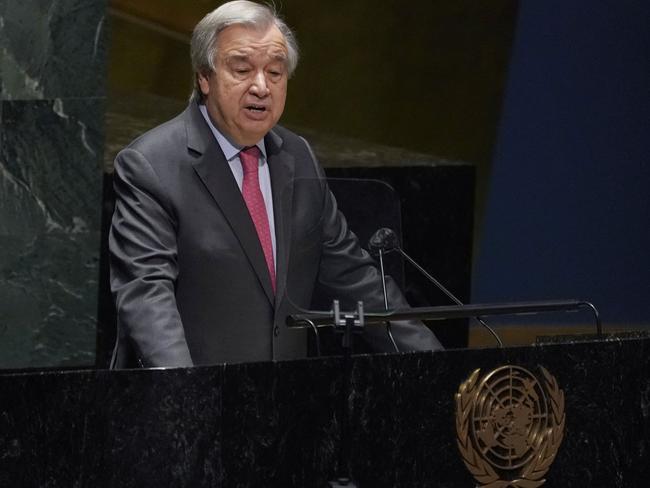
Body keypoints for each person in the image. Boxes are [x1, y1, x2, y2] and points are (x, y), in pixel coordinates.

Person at [109, 0, 443, 368]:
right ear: (204, 77)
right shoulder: (152, 165)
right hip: (191, 403)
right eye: (242, 69)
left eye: (275, 72)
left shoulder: (297, 157)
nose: (260, 86)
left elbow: (355, 281)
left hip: (281, 408)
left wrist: (439, 372)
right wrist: (189, 402)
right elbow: (147, 299)